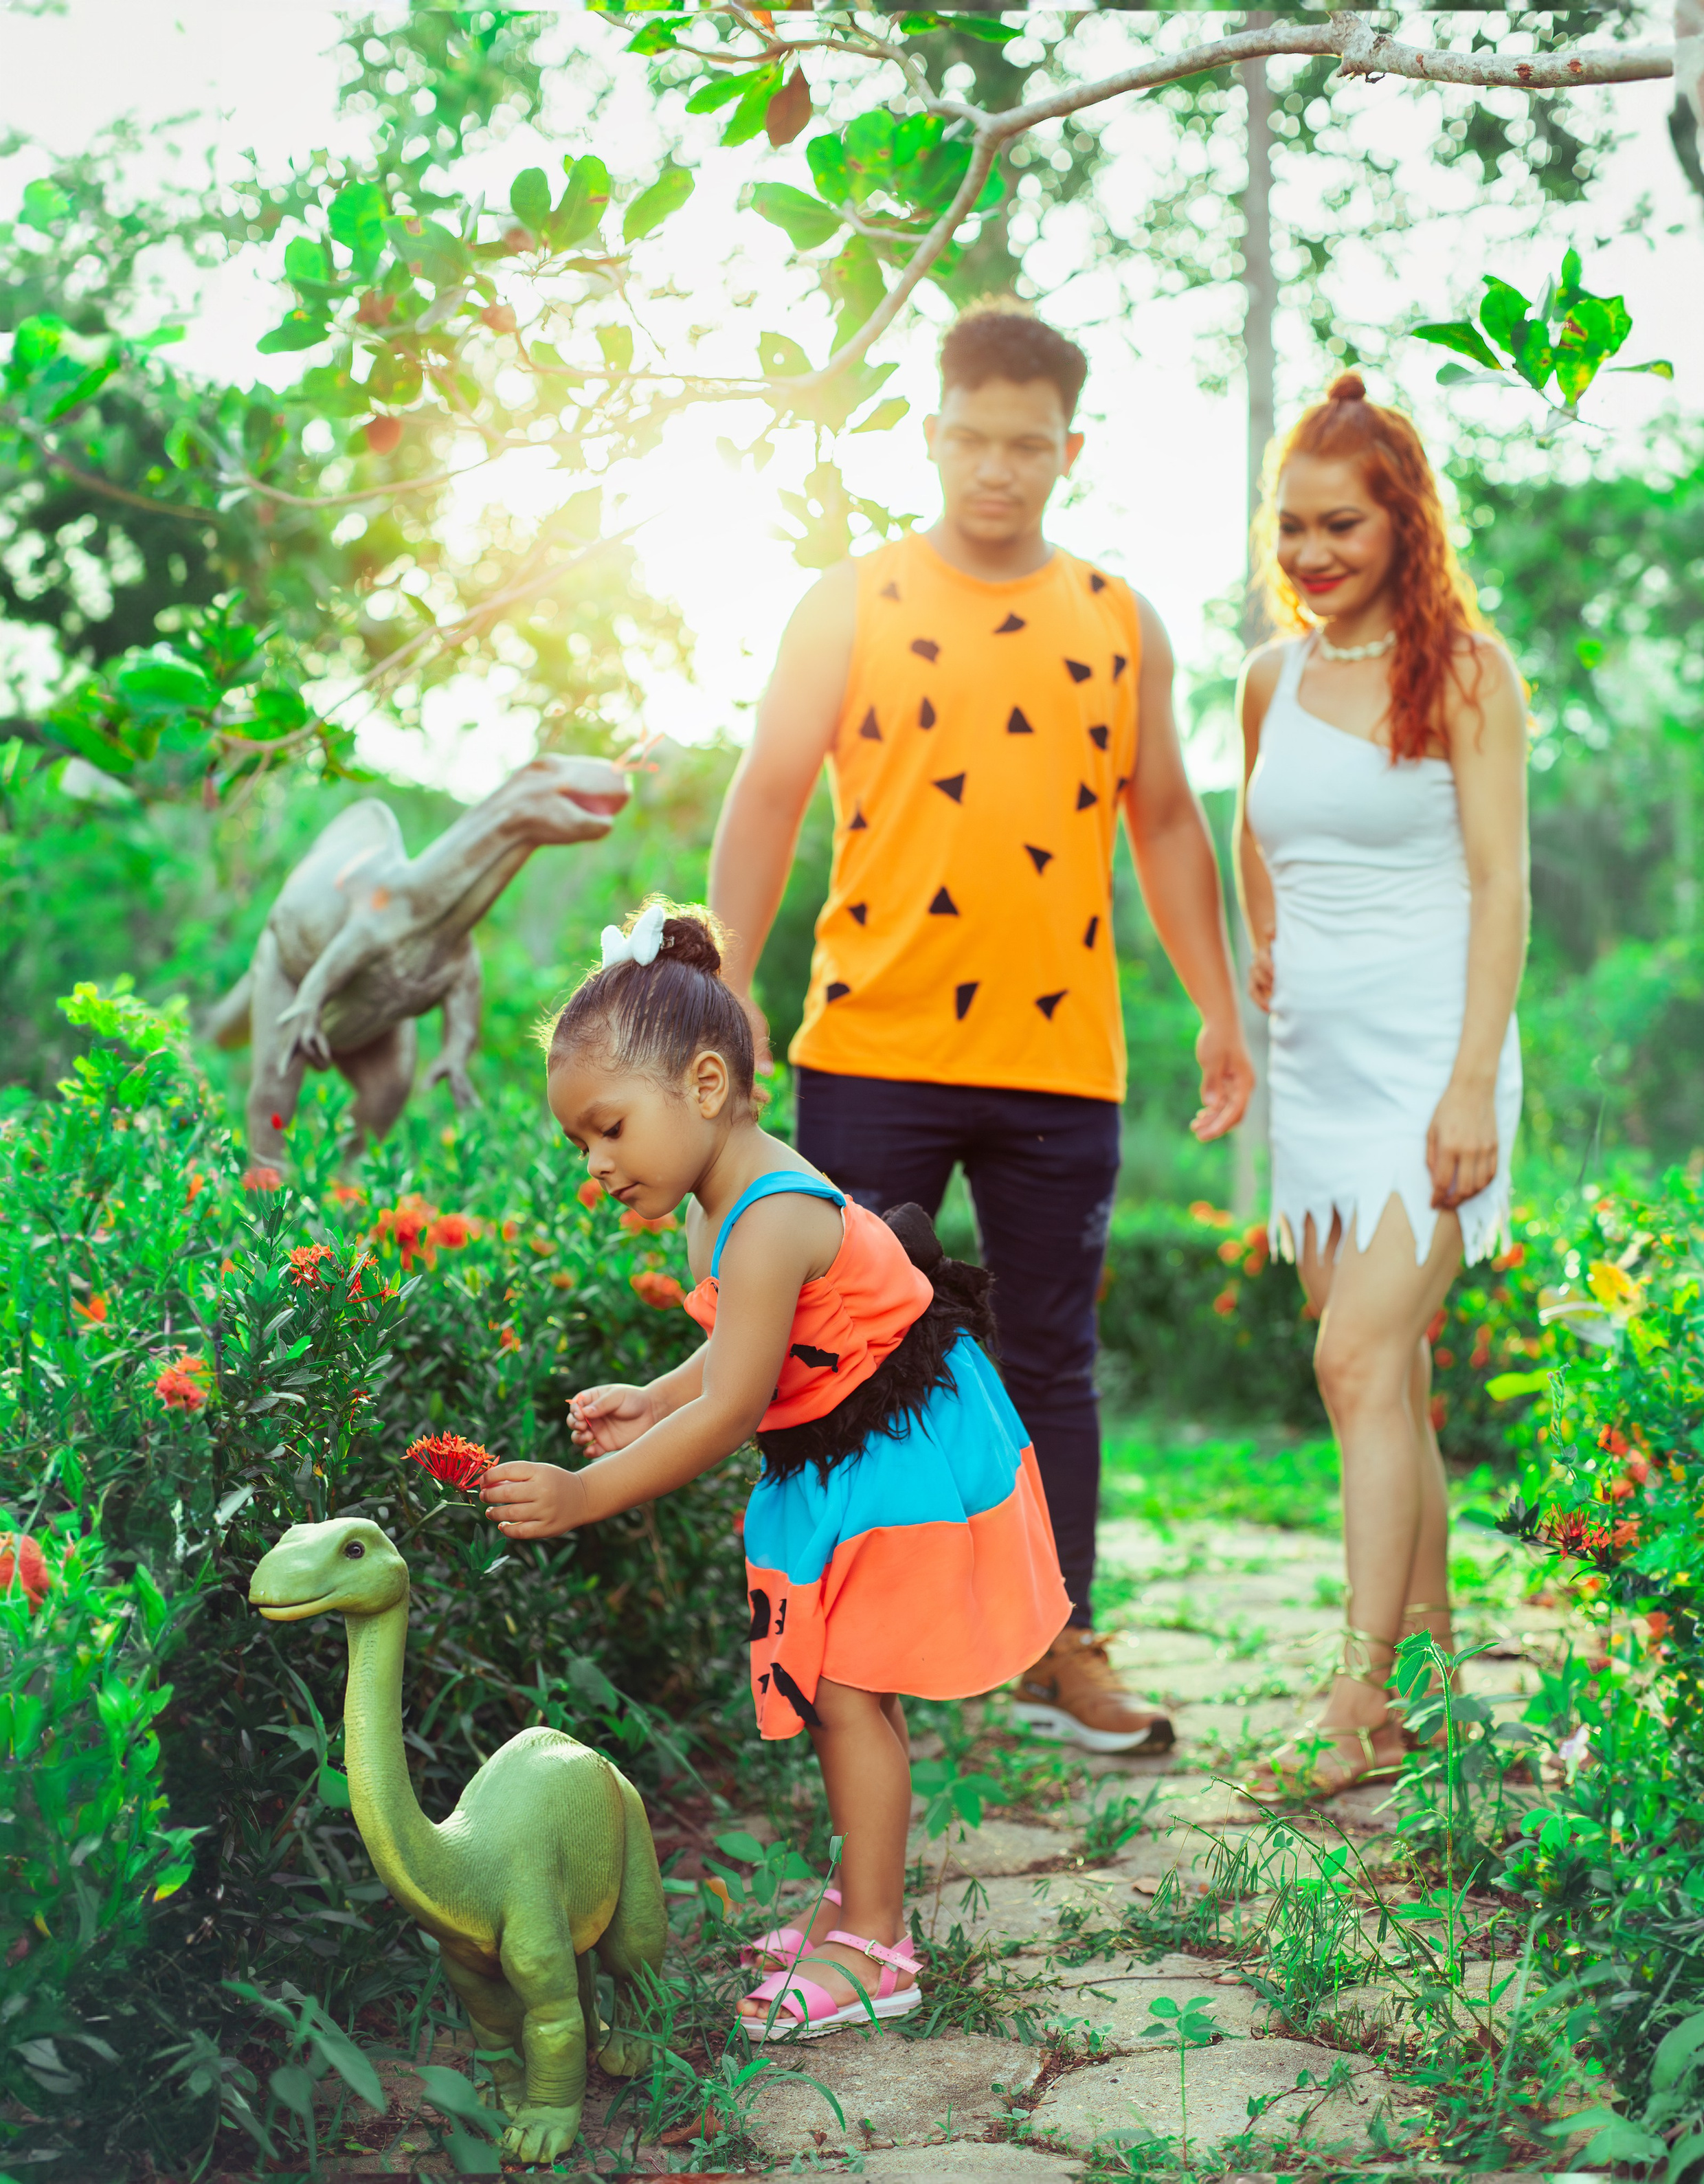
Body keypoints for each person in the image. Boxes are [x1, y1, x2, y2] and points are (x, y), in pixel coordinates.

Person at [707, 305, 1253, 1756]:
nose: (998, 467)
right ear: (932, 434)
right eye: (973, 437)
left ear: (1066, 450)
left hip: (1058, 1060)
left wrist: (1216, 1007)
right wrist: (721, 986)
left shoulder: (1117, 617)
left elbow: (1166, 820)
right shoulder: (851, 600)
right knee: (834, 1356)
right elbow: (766, 792)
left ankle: (1056, 1643)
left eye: (1029, 443)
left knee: (1052, 1359)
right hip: (867, 1043)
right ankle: (828, 1647)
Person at [478, 900, 1070, 2037]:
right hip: (845, 1441)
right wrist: (656, 1393)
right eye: (581, 1144)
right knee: (852, 1689)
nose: (595, 1166)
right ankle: (859, 1901)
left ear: (705, 1086)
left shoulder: (765, 1215)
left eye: (607, 1128)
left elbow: (739, 1405)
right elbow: (750, 1346)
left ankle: (879, 1945)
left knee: (850, 1690)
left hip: (898, 1449)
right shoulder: (719, 1204)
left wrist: (586, 1494)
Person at [1235, 373, 1528, 1798]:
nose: (1307, 554)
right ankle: (1428, 1691)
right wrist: (1269, 946)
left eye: (1336, 524)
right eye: (1288, 527)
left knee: (1351, 1359)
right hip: (1317, 1078)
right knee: (1384, 1385)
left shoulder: (1464, 669)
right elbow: (1255, 828)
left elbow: (1499, 882)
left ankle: (1353, 1698)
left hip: (1433, 1070)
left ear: (1401, 521)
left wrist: (1471, 1080)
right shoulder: (1267, 679)